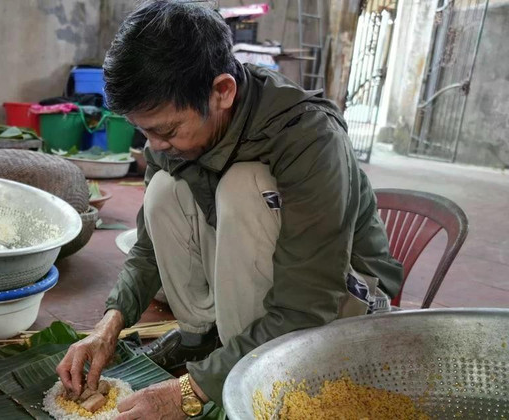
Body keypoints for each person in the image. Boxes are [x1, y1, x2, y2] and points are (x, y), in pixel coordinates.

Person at [56, 1, 403, 418]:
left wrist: (186, 393)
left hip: (341, 300)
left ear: (222, 91)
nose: (154, 144)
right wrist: (108, 326)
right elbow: (148, 250)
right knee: (164, 188)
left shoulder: (308, 136)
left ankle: (241, 372)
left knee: (242, 185)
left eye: (166, 129)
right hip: (260, 298)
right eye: (144, 130)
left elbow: (307, 303)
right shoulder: (172, 135)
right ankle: (206, 341)